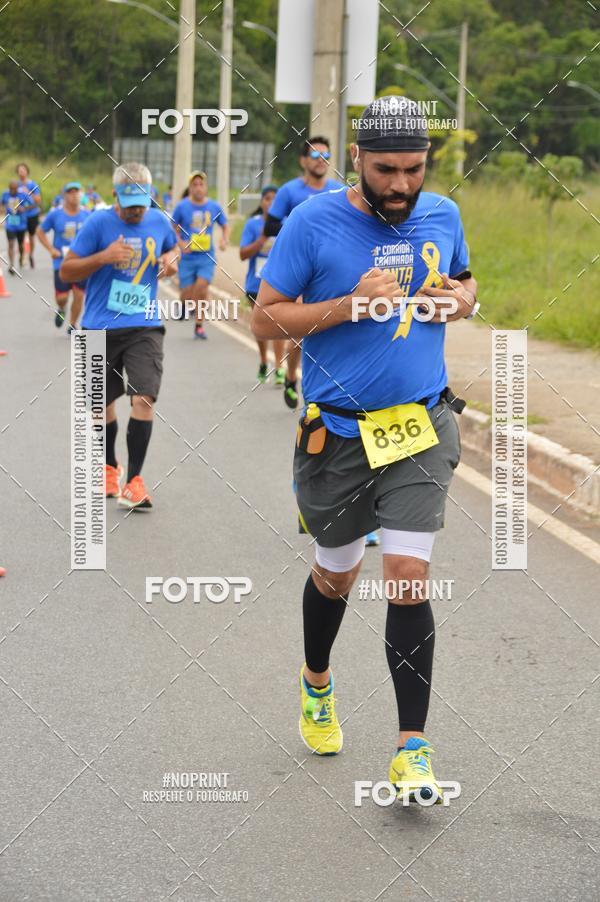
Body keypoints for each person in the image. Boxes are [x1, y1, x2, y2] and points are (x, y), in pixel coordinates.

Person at [252, 98, 479, 802]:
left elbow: (467, 281)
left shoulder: (441, 212)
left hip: (421, 425)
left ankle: (413, 747)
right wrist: (351, 303)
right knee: (336, 576)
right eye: (387, 170)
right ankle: (316, 682)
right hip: (339, 433)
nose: (403, 185)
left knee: (408, 573)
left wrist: (461, 302)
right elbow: (265, 316)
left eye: (414, 169)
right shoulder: (314, 221)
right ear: (356, 159)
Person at [61, 162, 178, 510]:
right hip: (98, 326)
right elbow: (67, 269)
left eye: (141, 203)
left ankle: (135, 481)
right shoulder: (97, 223)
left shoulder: (158, 220)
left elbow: (175, 247)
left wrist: (172, 259)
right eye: (128, 203)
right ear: (115, 196)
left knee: (144, 398)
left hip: (144, 325)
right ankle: (110, 467)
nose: (135, 210)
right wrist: (103, 257)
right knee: (101, 406)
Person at [264, 137, 344, 409]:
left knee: (332, 326)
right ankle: (292, 377)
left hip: (329, 270)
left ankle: (328, 387)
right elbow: (270, 226)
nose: (320, 159)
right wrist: (301, 230)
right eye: (314, 154)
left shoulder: (339, 190)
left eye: (326, 154)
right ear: (303, 160)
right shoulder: (289, 191)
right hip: (297, 269)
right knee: (301, 331)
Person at [171, 171, 229, 340]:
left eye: (201, 184)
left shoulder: (214, 207)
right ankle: (184, 303)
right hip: (188, 257)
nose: (198, 188)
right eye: (194, 185)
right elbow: (172, 228)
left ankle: (199, 325)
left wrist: (224, 240)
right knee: (187, 292)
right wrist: (181, 244)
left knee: (202, 287)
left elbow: (225, 226)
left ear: (206, 187)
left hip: (206, 257)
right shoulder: (182, 207)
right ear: (190, 188)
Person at [240, 186, 285, 384]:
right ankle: (263, 360)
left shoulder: (287, 224)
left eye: (275, 199)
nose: (271, 203)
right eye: (267, 199)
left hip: (279, 285)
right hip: (255, 285)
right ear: (261, 202)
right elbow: (243, 254)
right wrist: (263, 238)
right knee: (261, 328)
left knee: (278, 327)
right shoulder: (252, 225)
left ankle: (279, 367)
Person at [37, 181, 90, 333]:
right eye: (70, 192)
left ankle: (73, 324)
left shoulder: (87, 215)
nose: (74, 195)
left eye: (76, 192)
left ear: (81, 194)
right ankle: (61, 309)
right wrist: (51, 249)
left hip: (81, 262)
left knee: (79, 295)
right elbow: (40, 231)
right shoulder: (56, 215)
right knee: (62, 298)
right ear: (65, 195)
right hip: (61, 262)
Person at [15, 163, 41, 268]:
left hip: (32, 214)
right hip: (20, 215)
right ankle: (21, 255)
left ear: (27, 171)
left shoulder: (32, 184)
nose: (21, 172)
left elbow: (38, 200)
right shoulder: (16, 185)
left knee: (31, 236)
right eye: (19, 170)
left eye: (23, 170)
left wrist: (29, 192)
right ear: (17, 172)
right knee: (20, 238)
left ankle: (31, 255)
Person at [1, 180, 27, 273]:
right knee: (11, 244)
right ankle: (11, 265)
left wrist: (23, 208)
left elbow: (33, 205)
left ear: (17, 188)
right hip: (10, 224)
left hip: (21, 224)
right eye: (11, 189)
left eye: (14, 189)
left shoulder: (22, 195)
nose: (13, 191)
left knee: (20, 244)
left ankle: (21, 256)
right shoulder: (5, 194)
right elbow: (1, 204)